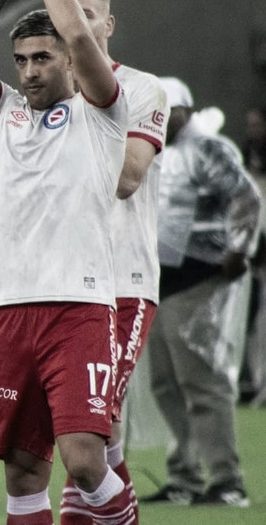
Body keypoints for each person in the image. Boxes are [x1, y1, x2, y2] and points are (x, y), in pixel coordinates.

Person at [0, 0, 134, 525]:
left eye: (42, 58)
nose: (28, 71)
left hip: (78, 307)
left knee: (84, 461)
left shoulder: (102, 110)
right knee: (23, 471)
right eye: (22, 59)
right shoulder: (1, 114)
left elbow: (81, 36)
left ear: (69, 62)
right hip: (8, 308)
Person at [57, 0, 170, 525]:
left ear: (108, 25)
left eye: (88, 13)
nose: (76, 22)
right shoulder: (42, 90)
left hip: (121, 280)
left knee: (93, 434)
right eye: (67, 12)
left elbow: (128, 177)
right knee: (91, 432)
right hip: (56, 283)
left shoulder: (143, 89)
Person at [145, 78, 261, 508]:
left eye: (168, 111)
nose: (160, 119)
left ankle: (226, 480)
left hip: (199, 276)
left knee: (203, 382)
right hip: (160, 282)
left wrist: (239, 248)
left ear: (186, 110)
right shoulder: (158, 150)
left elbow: (247, 198)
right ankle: (185, 477)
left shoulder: (209, 148)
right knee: (165, 384)